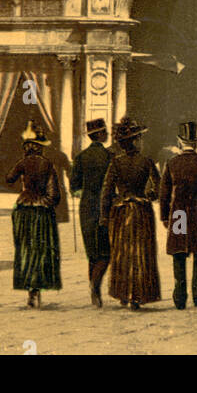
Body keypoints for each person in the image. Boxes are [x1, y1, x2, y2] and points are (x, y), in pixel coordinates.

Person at [99, 115, 161, 310]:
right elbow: (158, 189)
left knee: (123, 252)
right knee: (141, 252)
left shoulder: (116, 163)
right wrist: (148, 196)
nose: (141, 141)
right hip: (142, 211)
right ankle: (139, 294)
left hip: (122, 212)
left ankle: (123, 292)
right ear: (134, 140)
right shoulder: (147, 161)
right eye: (139, 137)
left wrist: (104, 215)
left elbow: (106, 192)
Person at [159, 120, 197, 310]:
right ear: (196, 143)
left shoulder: (171, 163)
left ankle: (179, 296)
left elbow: (164, 193)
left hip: (178, 214)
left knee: (179, 252)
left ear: (179, 141)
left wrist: (164, 216)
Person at [6, 122, 61, 308]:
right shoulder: (48, 165)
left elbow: (9, 179)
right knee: (42, 251)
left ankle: (30, 290)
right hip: (41, 211)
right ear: (40, 147)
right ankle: (37, 290)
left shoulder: (22, 163)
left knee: (25, 250)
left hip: (23, 209)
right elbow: (55, 195)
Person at [70, 118, 113, 307]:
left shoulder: (80, 157)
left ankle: (93, 288)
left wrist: (83, 193)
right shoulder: (110, 157)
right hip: (105, 206)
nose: (108, 135)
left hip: (86, 206)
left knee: (92, 252)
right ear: (100, 134)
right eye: (106, 132)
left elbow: (74, 187)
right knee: (105, 252)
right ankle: (95, 287)